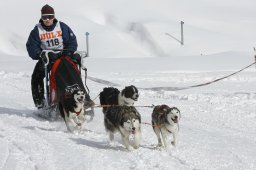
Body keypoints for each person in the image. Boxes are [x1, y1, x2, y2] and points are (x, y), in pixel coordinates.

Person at [26, 4, 90, 109]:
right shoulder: (37, 30)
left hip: (63, 56)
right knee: (36, 76)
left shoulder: (62, 27)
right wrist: (41, 54)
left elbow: (72, 42)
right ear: (41, 17)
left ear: (54, 16)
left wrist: (68, 53)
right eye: (44, 17)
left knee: (74, 72)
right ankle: (40, 104)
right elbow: (31, 48)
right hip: (47, 58)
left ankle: (84, 99)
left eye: (50, 17)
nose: (47, 20)